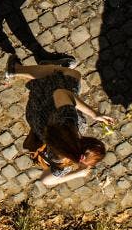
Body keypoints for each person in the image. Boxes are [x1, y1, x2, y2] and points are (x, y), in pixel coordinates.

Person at [10, 58, 112, 186]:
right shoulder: (63, 162)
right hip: (34, 116)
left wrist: (95, 114)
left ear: (86, 140)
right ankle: (47, 68)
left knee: (72, 75)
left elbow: (61, 93)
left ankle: (16, 69)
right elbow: (45, 180)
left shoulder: (69, 121)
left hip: (43, 101)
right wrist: (78, 173)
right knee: (68, 82)